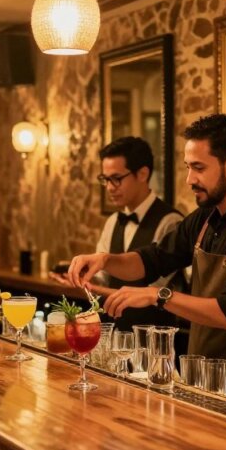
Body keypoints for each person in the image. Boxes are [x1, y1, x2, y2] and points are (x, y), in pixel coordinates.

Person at [68, 114, 226, 393]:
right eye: (188, 167)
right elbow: (151, 260)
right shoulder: (203, 219)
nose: (189, 179)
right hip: (199, 381)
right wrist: (105, 260)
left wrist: (158, 295)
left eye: (198, 168)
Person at [53, 136, 183, 332]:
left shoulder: (170, 222)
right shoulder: (113, 221)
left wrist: (89, 288)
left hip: (151, 339)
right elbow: (103, 278)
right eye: (105, 179)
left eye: (117, 178)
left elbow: (152, 295)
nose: (110, 187)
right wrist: (81, 275)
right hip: (113, 334)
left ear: (143, 174)